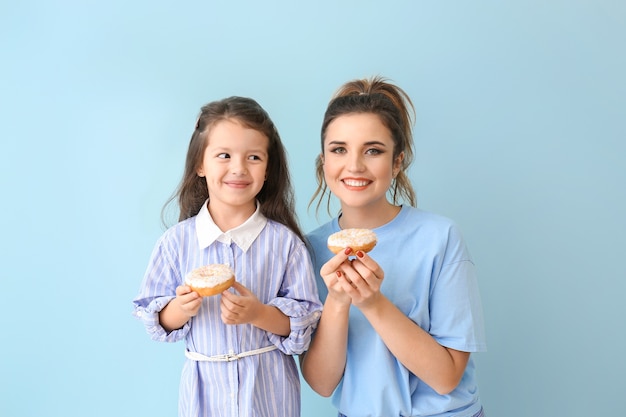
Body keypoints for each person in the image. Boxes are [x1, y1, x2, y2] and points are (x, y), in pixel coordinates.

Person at [300, 76, 487, 417]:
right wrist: (338, 303)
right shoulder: (309, 250)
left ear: (397, 162)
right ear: (324, 161)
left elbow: (446, 377)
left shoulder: (440, 238)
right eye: (339, 149)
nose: (354, 165)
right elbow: (323, 384)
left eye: (373, 150)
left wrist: (372, 302)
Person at [133, 96, 323, 417]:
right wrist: (179, 308)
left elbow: (303, 325)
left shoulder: (285, 245)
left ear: (268, 168)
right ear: (200, 164)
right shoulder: (175, 243)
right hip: (204, 396)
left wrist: (259, 314)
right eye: (224, 155)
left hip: (269, 394)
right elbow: (155, 318)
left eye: (253, 157)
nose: (238, 168)